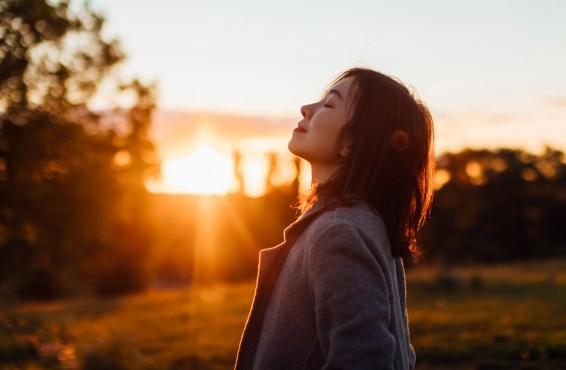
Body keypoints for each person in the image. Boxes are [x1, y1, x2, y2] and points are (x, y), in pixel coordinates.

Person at [234, 67, 435, 370]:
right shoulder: (363, 221)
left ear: (353, 143)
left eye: (329, 104)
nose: (306, 109)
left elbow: (366, 360)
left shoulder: (338, 233)